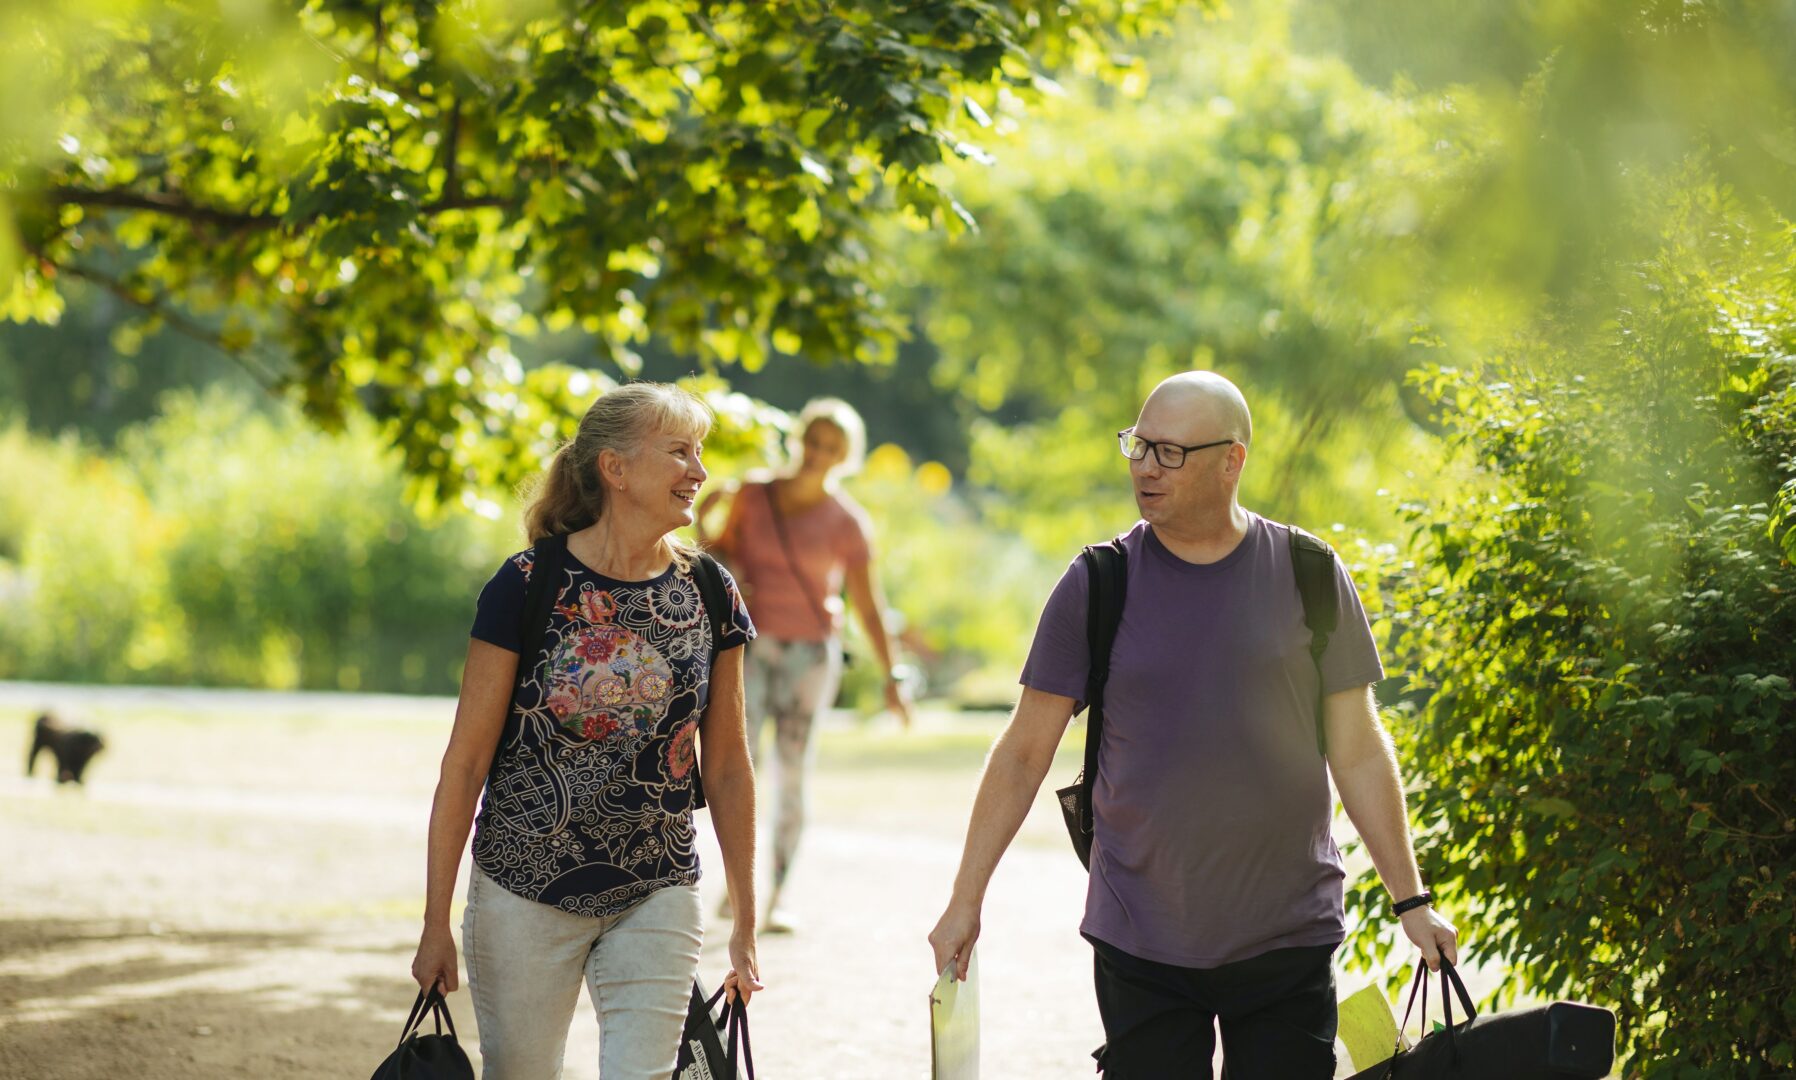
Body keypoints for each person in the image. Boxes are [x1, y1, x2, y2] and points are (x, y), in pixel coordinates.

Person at [928, 371, 1459, 1078]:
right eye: (1139, 446)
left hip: (1286, 936)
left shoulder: (1309, 573)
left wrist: (1412, 901)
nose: (1145, 467)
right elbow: (1025, 752)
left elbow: (1358, 750)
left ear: (1231, 460)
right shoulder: (1099, 583)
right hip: (1140, 935)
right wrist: (966, 899)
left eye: (1169, 452)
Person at [410, 382, 763, 1080]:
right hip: (523, 887)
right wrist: (434, 922)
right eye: (679, 453)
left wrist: (745, 924)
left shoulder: (709, 591)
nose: (699, 472)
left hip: (658, 885)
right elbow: (466, 762)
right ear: (616, 468)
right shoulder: (526, 583)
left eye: (701, 453)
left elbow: (726, 766)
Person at [698, 397, 912, 931]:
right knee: (735, 766)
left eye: (832, 447)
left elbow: (868, 605)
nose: (819, 454)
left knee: (792, 776)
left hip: (810, 656)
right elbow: (719, 562)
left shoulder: (847, 522)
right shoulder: (753, 494)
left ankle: (775, 899)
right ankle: (737, 883)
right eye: (814, 441)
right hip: (749, 648)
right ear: (799, 439)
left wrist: (892, 677)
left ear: (847, 457)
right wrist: (704, 517)